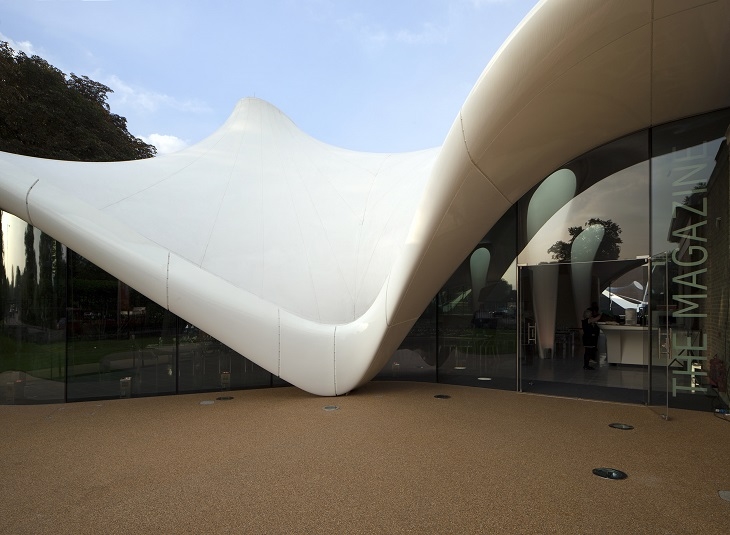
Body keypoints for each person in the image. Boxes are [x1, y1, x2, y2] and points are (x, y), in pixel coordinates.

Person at [581, 302, 602, 370]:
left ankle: (586, 365)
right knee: (588, 352)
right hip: (588, 339)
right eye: (590, 314)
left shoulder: (588, 321)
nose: (591, 315)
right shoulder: (586, 321)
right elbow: (596, 319)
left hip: (589, 338)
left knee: (589, 352)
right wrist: (601, 315)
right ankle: (586, 365)